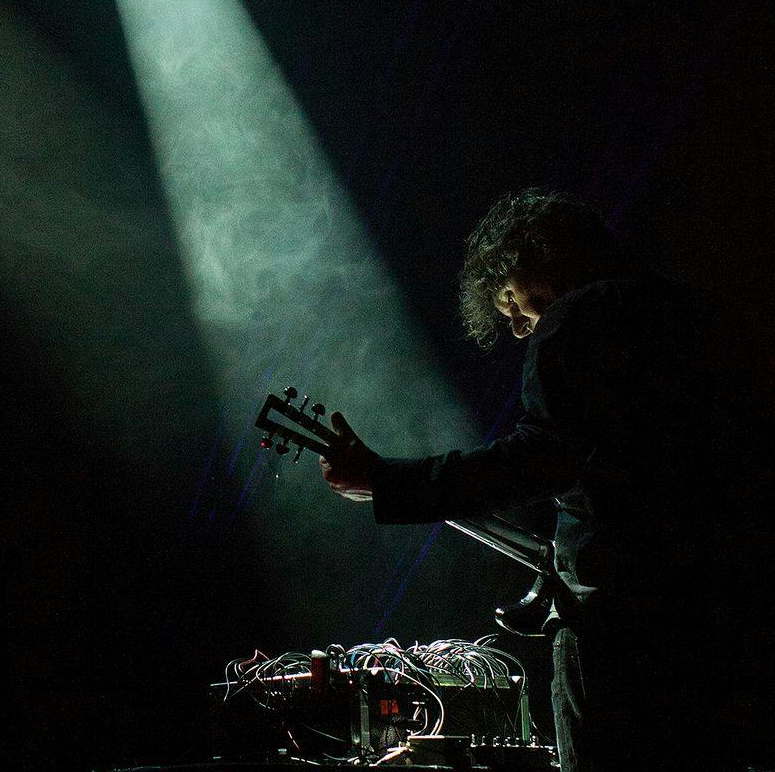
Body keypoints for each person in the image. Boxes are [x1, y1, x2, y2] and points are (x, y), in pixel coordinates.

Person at [319, 189, 773, 771]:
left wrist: (390, 481)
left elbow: (536, 459)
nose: (514, 326)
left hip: (621, 633)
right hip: (734, 618)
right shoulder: (713, 317)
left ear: (542, 257)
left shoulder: (576, 318)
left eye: (510, 300)